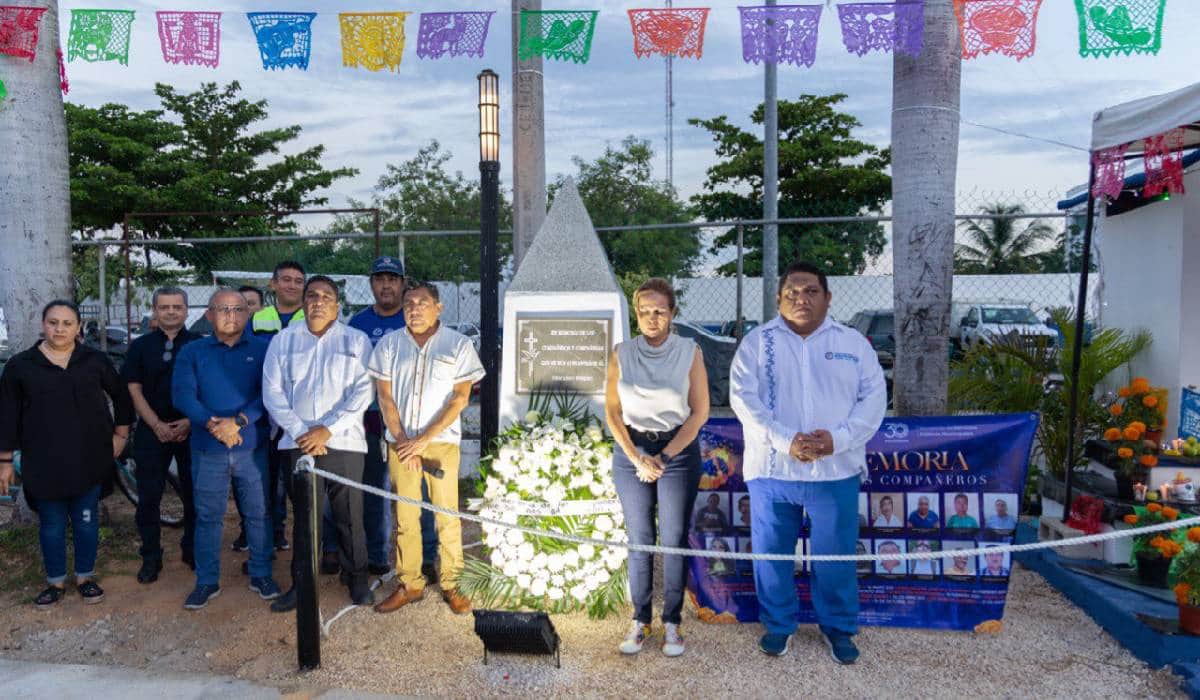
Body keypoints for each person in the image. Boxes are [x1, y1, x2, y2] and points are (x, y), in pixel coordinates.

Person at [730, 261, 886, 665]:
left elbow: (873, 402)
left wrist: (838, 440)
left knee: (834, 557)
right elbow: (743, 400)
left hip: (835, 471)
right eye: (792, 293)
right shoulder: (756, 342)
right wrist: (786, 440)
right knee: (772, 555)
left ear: (828, 298)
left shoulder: (854, 344)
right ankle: (779, 627)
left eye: (811, 291)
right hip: (772, 470)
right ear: (779, 299)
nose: (801, 299)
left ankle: (838, 628)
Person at [0, 301, 134, 608]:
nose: (59, 329)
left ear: (77, 328)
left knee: (86, 520)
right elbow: (6, 415)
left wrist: (121, 435)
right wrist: (4, 461)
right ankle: (55, 582)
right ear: (43, 325)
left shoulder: (94, 361)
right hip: (43, 461)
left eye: (67, 323)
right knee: (52, 523)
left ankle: (85, 578)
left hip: (89, 459)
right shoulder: (21, 366)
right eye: (53, 322)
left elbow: (121, 396)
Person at [604, 277, 709, 658]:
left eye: (660, 311)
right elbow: (612, 410)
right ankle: (639, 620)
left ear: (672, 313)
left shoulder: (689, 351)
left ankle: (672, 623)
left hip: (676, 451)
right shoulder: (621, 352)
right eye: (645, 311)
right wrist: (635, 457)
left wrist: (663, 457)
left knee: (674, 540)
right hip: (631, 450)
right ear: (636, 314)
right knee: (639, 539)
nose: (652, 318)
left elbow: (699, 412)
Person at [370, 281, 484, 615]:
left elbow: (460, 398)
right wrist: (404, 440)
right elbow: (385, 397)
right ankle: (411, 584)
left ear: (438, 307)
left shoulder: (458, 345)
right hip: (400, 444)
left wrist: (424, 439)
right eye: (408, 304)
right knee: (406, 516)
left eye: (421, 303)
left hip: (441, 444)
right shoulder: (390, 345)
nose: (414, 309)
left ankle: (452, 584)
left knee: (447, 516)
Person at [263, 275, 375, 608]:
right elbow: (272, 392)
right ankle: (302, 585)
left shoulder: (356, 340)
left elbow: (364, 390)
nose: (318, 301)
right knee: (305, 518)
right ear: (303, 301)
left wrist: (327, 430)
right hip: (297, 443)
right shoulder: (283, 341)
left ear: (337, 305)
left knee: (350, 515)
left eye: (326, 296)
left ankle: (357, 580)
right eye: (312, 295)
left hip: (345, 442)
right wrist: (302, 431)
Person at [172, 289, 279, 610]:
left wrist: (240, 422)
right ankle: (207, 581)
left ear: (247, 315)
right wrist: (213, 424)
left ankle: (261, 573)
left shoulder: (263, 349)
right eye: (223, 309)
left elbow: (270, 394)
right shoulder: (193, 352)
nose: (231, 315)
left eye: (238, 309)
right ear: (209, 314)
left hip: (252, 447)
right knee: (208, 517)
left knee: (258, 514)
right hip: (208, 448)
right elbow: (183, 396)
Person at [338, 256, 438, 582]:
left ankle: (425, 555)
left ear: (402, 283)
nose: (386, 285)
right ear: (371, 284)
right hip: (370, 419)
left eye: (392, 279)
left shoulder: (414, 319)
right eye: (380, 278)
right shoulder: (358, 323)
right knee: (372, 490)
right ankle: (378, 555)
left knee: (417, 490)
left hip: (411, 422)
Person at [122, 287, 200, 583]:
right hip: (151, 431)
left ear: (186, 310)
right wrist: (155, 424)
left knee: (194, 493)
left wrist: (189, 421)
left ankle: (191, 549)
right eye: (164, 307)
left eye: (177, 307)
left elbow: (206, 389)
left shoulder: (198, 344)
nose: (170, 312)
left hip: (190, 429)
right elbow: (133, 387)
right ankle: (151, 556)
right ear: (155, 310)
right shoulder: (140, 346)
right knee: (149, 497)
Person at [246, 261, 307, 555]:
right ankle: (271, 540)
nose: (292, 285)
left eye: (298, 281)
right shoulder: (258, 319)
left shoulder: (311, 318)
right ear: (273, 284)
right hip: (263, 416)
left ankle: (320, 546)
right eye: (286, 279)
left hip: (302, 417)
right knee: (267, 484)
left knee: (303, 487)